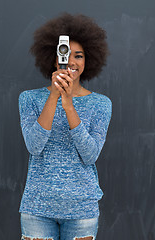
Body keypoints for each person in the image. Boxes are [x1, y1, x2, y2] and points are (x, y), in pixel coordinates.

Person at [18, 12, 112, 240]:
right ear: (54, 58)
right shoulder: (29, 99)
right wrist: (54, 97)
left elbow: (90, 155)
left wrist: (69, 105)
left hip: (82, 211)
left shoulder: (101, 104)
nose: (71, 61)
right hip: (37, 209)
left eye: (79, 56)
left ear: (87, 60)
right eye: (65, 54)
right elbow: (34, 146)